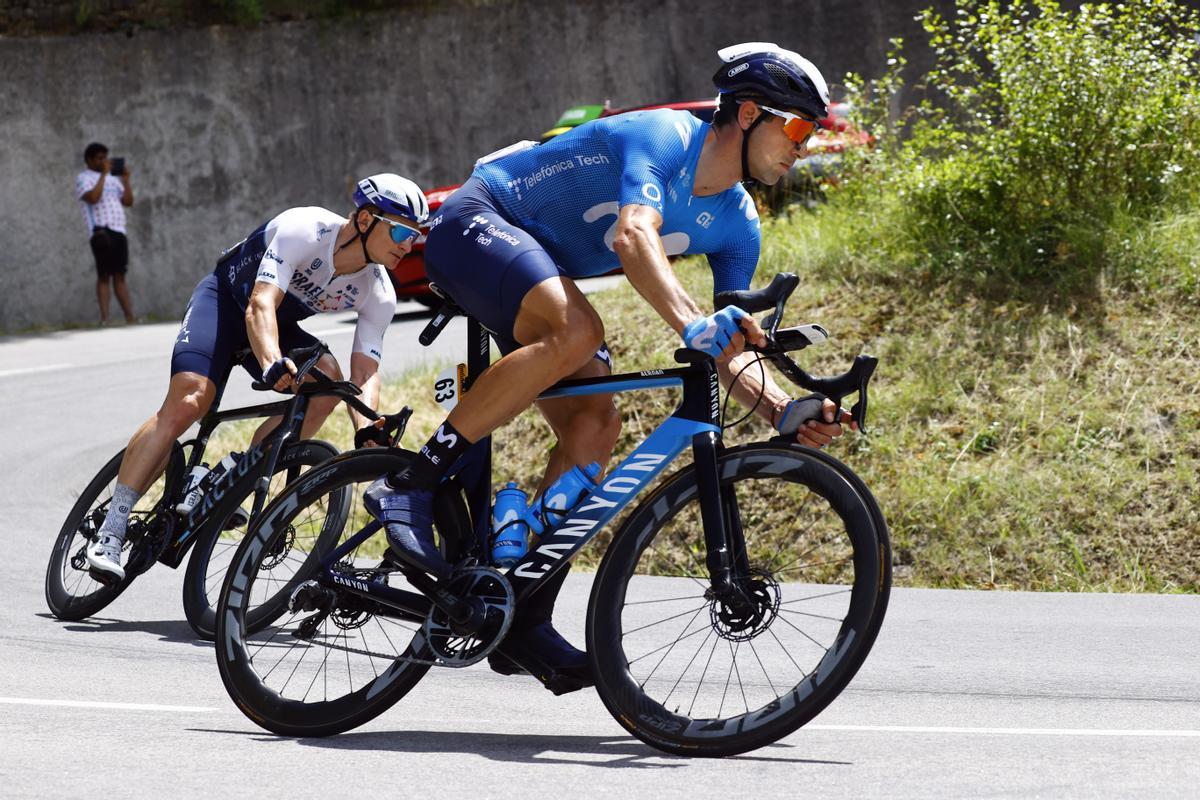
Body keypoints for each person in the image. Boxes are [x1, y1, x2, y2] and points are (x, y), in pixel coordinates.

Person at [363, 42, 854, 692]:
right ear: (748, 113)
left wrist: (781, 408)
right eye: (795, 126)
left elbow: (728, 345)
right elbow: (633, 237)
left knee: (596, 423)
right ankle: (412, 484)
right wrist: (692, 326)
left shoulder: (739, 226)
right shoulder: (664, 136)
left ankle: (525, 619)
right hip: (481, 219)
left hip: (542, 270)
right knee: (578, 330)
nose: (802, 145)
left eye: (812, 133)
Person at [85, 174, 429, 580]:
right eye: (404, 231)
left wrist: (368, 426)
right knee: (190, 401)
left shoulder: (379, 292)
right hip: (226, 306)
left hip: (277, 327)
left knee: (328, 385)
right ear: (366, 219)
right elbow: (260, 303)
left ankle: (236, 469)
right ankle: (113, 525)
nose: (410, 244)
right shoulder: (305, 228)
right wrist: (270, 362)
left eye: (417, 234)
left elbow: (365, 370)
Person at [76, 142, 136, 325]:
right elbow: (93, 198)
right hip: (100, 231)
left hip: (119, 230)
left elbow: (128, 201)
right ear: (89, 159)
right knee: (104, 275)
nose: (104, 162)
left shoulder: (113, 179)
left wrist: (125, 180)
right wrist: (102, 174)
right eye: (100, 158)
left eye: (105, 158)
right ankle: (105, 318)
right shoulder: (83, 178)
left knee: (120, 274)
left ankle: (130, 318)